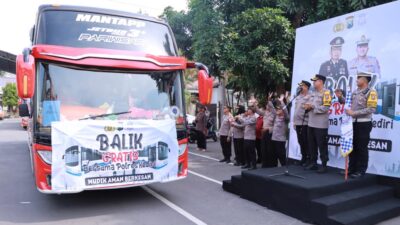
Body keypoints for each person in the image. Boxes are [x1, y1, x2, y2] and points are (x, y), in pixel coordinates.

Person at [345, 72, 378, 178]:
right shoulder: (355, 92)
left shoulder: (371, 92)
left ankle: (361, 170)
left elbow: (371, 109)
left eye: (358, 78)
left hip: (364, 124)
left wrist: (354, 113)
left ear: (364, 80)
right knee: (352, 147)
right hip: (353, 124)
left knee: (361, 147)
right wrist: (341, 98)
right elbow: (350, 105)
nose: (356, 80)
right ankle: (351, 169)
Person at [304, 74, 332, 173]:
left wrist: (313, 107)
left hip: (320, 124)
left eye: (315, 81)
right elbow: (309, 105)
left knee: (322, 145)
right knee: (312, 145)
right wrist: (307, 107)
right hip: (311, 123)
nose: (313, 82)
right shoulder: (312, 93)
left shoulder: (327, 93)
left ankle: (324, 165)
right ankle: (313, 163)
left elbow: (326, 107)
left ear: (320, 82)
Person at [293, 80, 311, 166]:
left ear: (307, 87)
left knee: (306, 141)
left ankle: (308, 158)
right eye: (300, 86)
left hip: (305, 122)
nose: (300, 87)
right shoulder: (298, 96)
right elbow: (296, 109)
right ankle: (303, 157)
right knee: (300, 141)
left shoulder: (310, 96)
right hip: (298, 122)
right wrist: (294, 122)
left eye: (302, 86)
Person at [255, 94, 276, 168]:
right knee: (263, 149)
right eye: (267, 105)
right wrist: (255, 104)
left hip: (270, 132)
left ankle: (271, 164)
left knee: (269, 149)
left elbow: (273, 108)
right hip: (263, 133)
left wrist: (269, 100)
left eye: (268, 105)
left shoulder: (273, 113)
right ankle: (265, 164)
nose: (266, 106)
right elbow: (258, 111)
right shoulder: (266, 113)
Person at [271, 98, 290, 166]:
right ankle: (279, 165)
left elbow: (286, 112)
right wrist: (269, 100)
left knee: (281, 153)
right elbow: (272, 109)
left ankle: (284, 165)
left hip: (281, 139)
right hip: (274, 138)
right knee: (276, 153)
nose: (278, 110)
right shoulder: (276, 117)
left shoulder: (285, 118)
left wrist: (282, 102)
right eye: (277, 109)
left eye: (279, 109)